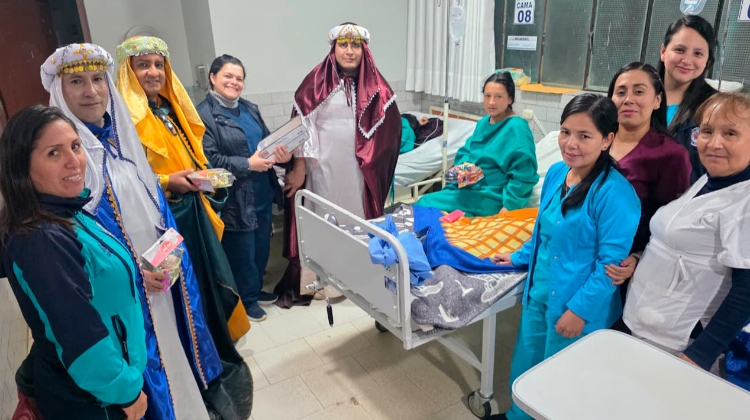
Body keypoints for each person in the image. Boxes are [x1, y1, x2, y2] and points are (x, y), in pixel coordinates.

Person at [41, 43, 250, 419]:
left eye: (97, 79)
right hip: (125, 297)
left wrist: (169, 253)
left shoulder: (120, 141)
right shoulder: (70, 164)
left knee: (173, 355)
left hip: (160, 278)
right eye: (76, 81)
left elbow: (154, 206)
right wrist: (135, 275)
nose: (91, 91)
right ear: (59, 89)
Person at [490, 94, 640, 420]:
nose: (570, 144)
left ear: (607, 140)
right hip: (540, 294)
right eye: (565, 132)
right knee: (527, 367)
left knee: (562, 384)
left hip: (578, 307)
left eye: (584, 136)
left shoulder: (615, 194)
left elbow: (610, 266)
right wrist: (518, 257)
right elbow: (543, 231)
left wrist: (580, 311)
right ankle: (517, 416)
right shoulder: (558, 173)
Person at [115, 37, 254, 377]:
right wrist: (167, 182)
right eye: (143, 65)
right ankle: (189, 365)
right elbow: (125, 178)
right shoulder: (123, 120)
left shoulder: (168, 109)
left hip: (192, 214)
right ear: (128, 72)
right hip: (160, 223)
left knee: (206, 282)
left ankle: (213, 351)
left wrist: (204, 176)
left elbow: (191, 155)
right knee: (177, 295)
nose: (153, 72)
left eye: (158, 65)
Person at [0, 105, 148, 419]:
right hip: (95, 399)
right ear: (21, 166)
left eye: (75, 146)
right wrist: (126, 391)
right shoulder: (43, 239)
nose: (74, 161)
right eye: (54, 153)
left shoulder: (68, 211)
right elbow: (80, 337)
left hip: (107, 383)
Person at [623, 92, 750, 391]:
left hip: (681, 341)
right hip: (649, 323)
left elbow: (746, 291)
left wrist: (700, 355)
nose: (713, 143)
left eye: (730, 133)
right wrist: (641, 258)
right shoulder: (709, 180)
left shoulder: (744, 203)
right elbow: (678, 240)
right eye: (706, 131)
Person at [274, 23, 401, 307]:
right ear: (334, 49)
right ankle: (323, 279)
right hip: (322, 170)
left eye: (355, 45)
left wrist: (375, 162)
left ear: (364, 50)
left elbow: (391, 131)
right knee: (323, 220)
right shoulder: (315, 83)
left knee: (355, 220)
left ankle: (355, 277)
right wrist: (300, 167)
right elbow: (302, 126)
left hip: (359, 172)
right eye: (343, 45)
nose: (349, 51)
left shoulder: (378, 87)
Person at [197, 54, 292, 321]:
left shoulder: (250, 108)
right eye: (228, 76)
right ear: (212, 77)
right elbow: (209, 160)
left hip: (261, 192)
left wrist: (282, 154)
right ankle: (244, 301)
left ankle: (255, 290)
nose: (234, 82)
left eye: (239, 78)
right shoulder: (203, 115)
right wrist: (248, 164)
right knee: (242, 252)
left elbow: (266, 143)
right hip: (234, 198)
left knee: (261, 247)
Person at [603, 62, 691, 331]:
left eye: (639, 91)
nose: (628, 99)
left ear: (657, 100)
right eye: (621, 92)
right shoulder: (597, 140)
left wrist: (640, 257)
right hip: (583, 255)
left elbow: (671, 222)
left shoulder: (669, 154)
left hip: (625, 268)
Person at [414, 72, 538, 216]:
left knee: (425, 208)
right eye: (487, 96)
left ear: (510, 98)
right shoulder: (483, 123)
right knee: (424, 203)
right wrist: (466, 168)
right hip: (468, 186)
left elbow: (524, 174)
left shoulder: (517, 128)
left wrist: (509, 207)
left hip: (490, 195)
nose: (491, 102)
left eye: (498, 96)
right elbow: (466, 151)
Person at [659, 15, 717, 184]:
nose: (686, 60)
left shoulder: (716, 108)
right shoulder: (635, 97)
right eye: (679, 50)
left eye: (698, 53)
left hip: (690, 198)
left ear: (707, 61)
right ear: (663, 52)